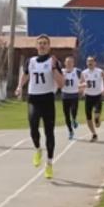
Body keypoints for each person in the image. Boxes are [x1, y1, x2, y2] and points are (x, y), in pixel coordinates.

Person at [15, 35, 64, 179]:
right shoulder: (30, 61)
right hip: (33, 99)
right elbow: (25, 75)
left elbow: (61, 84)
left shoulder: (53, 62)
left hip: (47, 98)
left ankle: (49, 163)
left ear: (49, 46)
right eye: (40, 43)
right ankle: (38, 149)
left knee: (49, 132)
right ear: (36, 46)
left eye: (45, 43)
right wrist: (19, 87)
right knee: (33, 127)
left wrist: (54, 68)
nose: (42, 46)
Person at [80, 56, 104, 142]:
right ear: (86, 63)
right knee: (88, 117)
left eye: (91, 61)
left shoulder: (99, 72)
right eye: (88, 61)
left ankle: (97, 119)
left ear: (95, 63)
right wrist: (82, 89)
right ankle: (94, 134)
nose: (90, 63)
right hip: (88, 96)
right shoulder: (84, 73)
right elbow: (80, 84)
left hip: (97, 96)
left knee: (96, 117)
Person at [61, 57, 82, 140]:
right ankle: (70, 131)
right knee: (66, 115)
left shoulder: (77, 71)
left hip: (74, 95)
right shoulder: (62, 72)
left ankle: (74, 119)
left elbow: (84, 79)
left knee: (73, 111)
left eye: (71, 62)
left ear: (73, 63)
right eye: (67, 62)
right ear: (65, 63)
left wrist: (82, 87)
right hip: (65, 95)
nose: (69, 64)